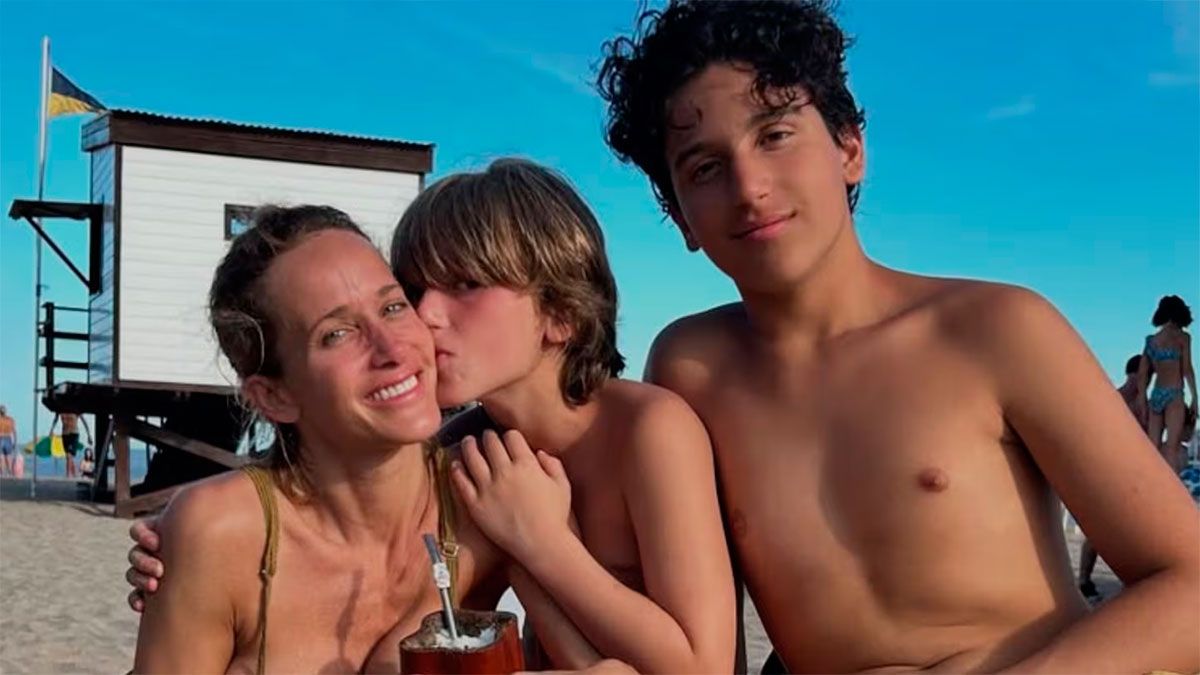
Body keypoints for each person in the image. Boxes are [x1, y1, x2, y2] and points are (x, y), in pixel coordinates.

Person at [595, 1, 1200, 671]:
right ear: (681, 218)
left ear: (849, 149)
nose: (750, 186)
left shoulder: (997, 330)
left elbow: (1189, 584)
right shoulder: (692, 369)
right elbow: (700, 641)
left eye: (776, 134)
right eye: (705, 168)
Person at [126, 160, 736, 673]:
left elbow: (697, 664)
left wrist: (544, 541)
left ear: (561, 315)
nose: (425, 318)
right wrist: (192, 543)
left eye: (465, 284)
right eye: (414, 292)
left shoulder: (631, 435)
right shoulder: (476, 463)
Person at [133, 205, 509, 673]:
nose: (392, 349)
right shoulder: (224, 534)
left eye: (393, 307)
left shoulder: (489, 501)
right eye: (337, 334)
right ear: (274, 396)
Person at [1077, 354, 1144, 599]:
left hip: (1128, 474)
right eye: (1145, 375)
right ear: (1134, 374)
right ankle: (1084, 580)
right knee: (1096, 533)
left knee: (1125, 533)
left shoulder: (1139, 403)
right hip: (1106, 471)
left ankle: (1098, 581)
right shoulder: (1116, 399)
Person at [1135, 294, 1197, 474]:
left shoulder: (1151, 341)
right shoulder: (1183, 338)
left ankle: (1149, 481)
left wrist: (1142, 399)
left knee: (1152, 448)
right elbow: (1187, 369)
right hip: (1174, 394)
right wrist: (1195, 397)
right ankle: (1170, 487)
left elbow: (1142, 374)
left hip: (1156, 394)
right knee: (1171, 447)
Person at [50, 412, 92, 478]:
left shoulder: (75, 408)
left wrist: (89, 435)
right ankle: (74, 475)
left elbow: (84, 421)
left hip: (74, 434)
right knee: (68, 456)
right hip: (64, 434)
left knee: (69, 455)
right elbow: (55, 419)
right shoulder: (60, 409)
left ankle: (68, 475)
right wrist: (52, 429)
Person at [0, 405, 16, 477]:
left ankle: (2, 473)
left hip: (0, 438)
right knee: (8, 457)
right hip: (8, 439)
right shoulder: (10, 420)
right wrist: (15, 442)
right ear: (5, 412)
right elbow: (14, 431)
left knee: (1, 457)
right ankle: (9, 473)